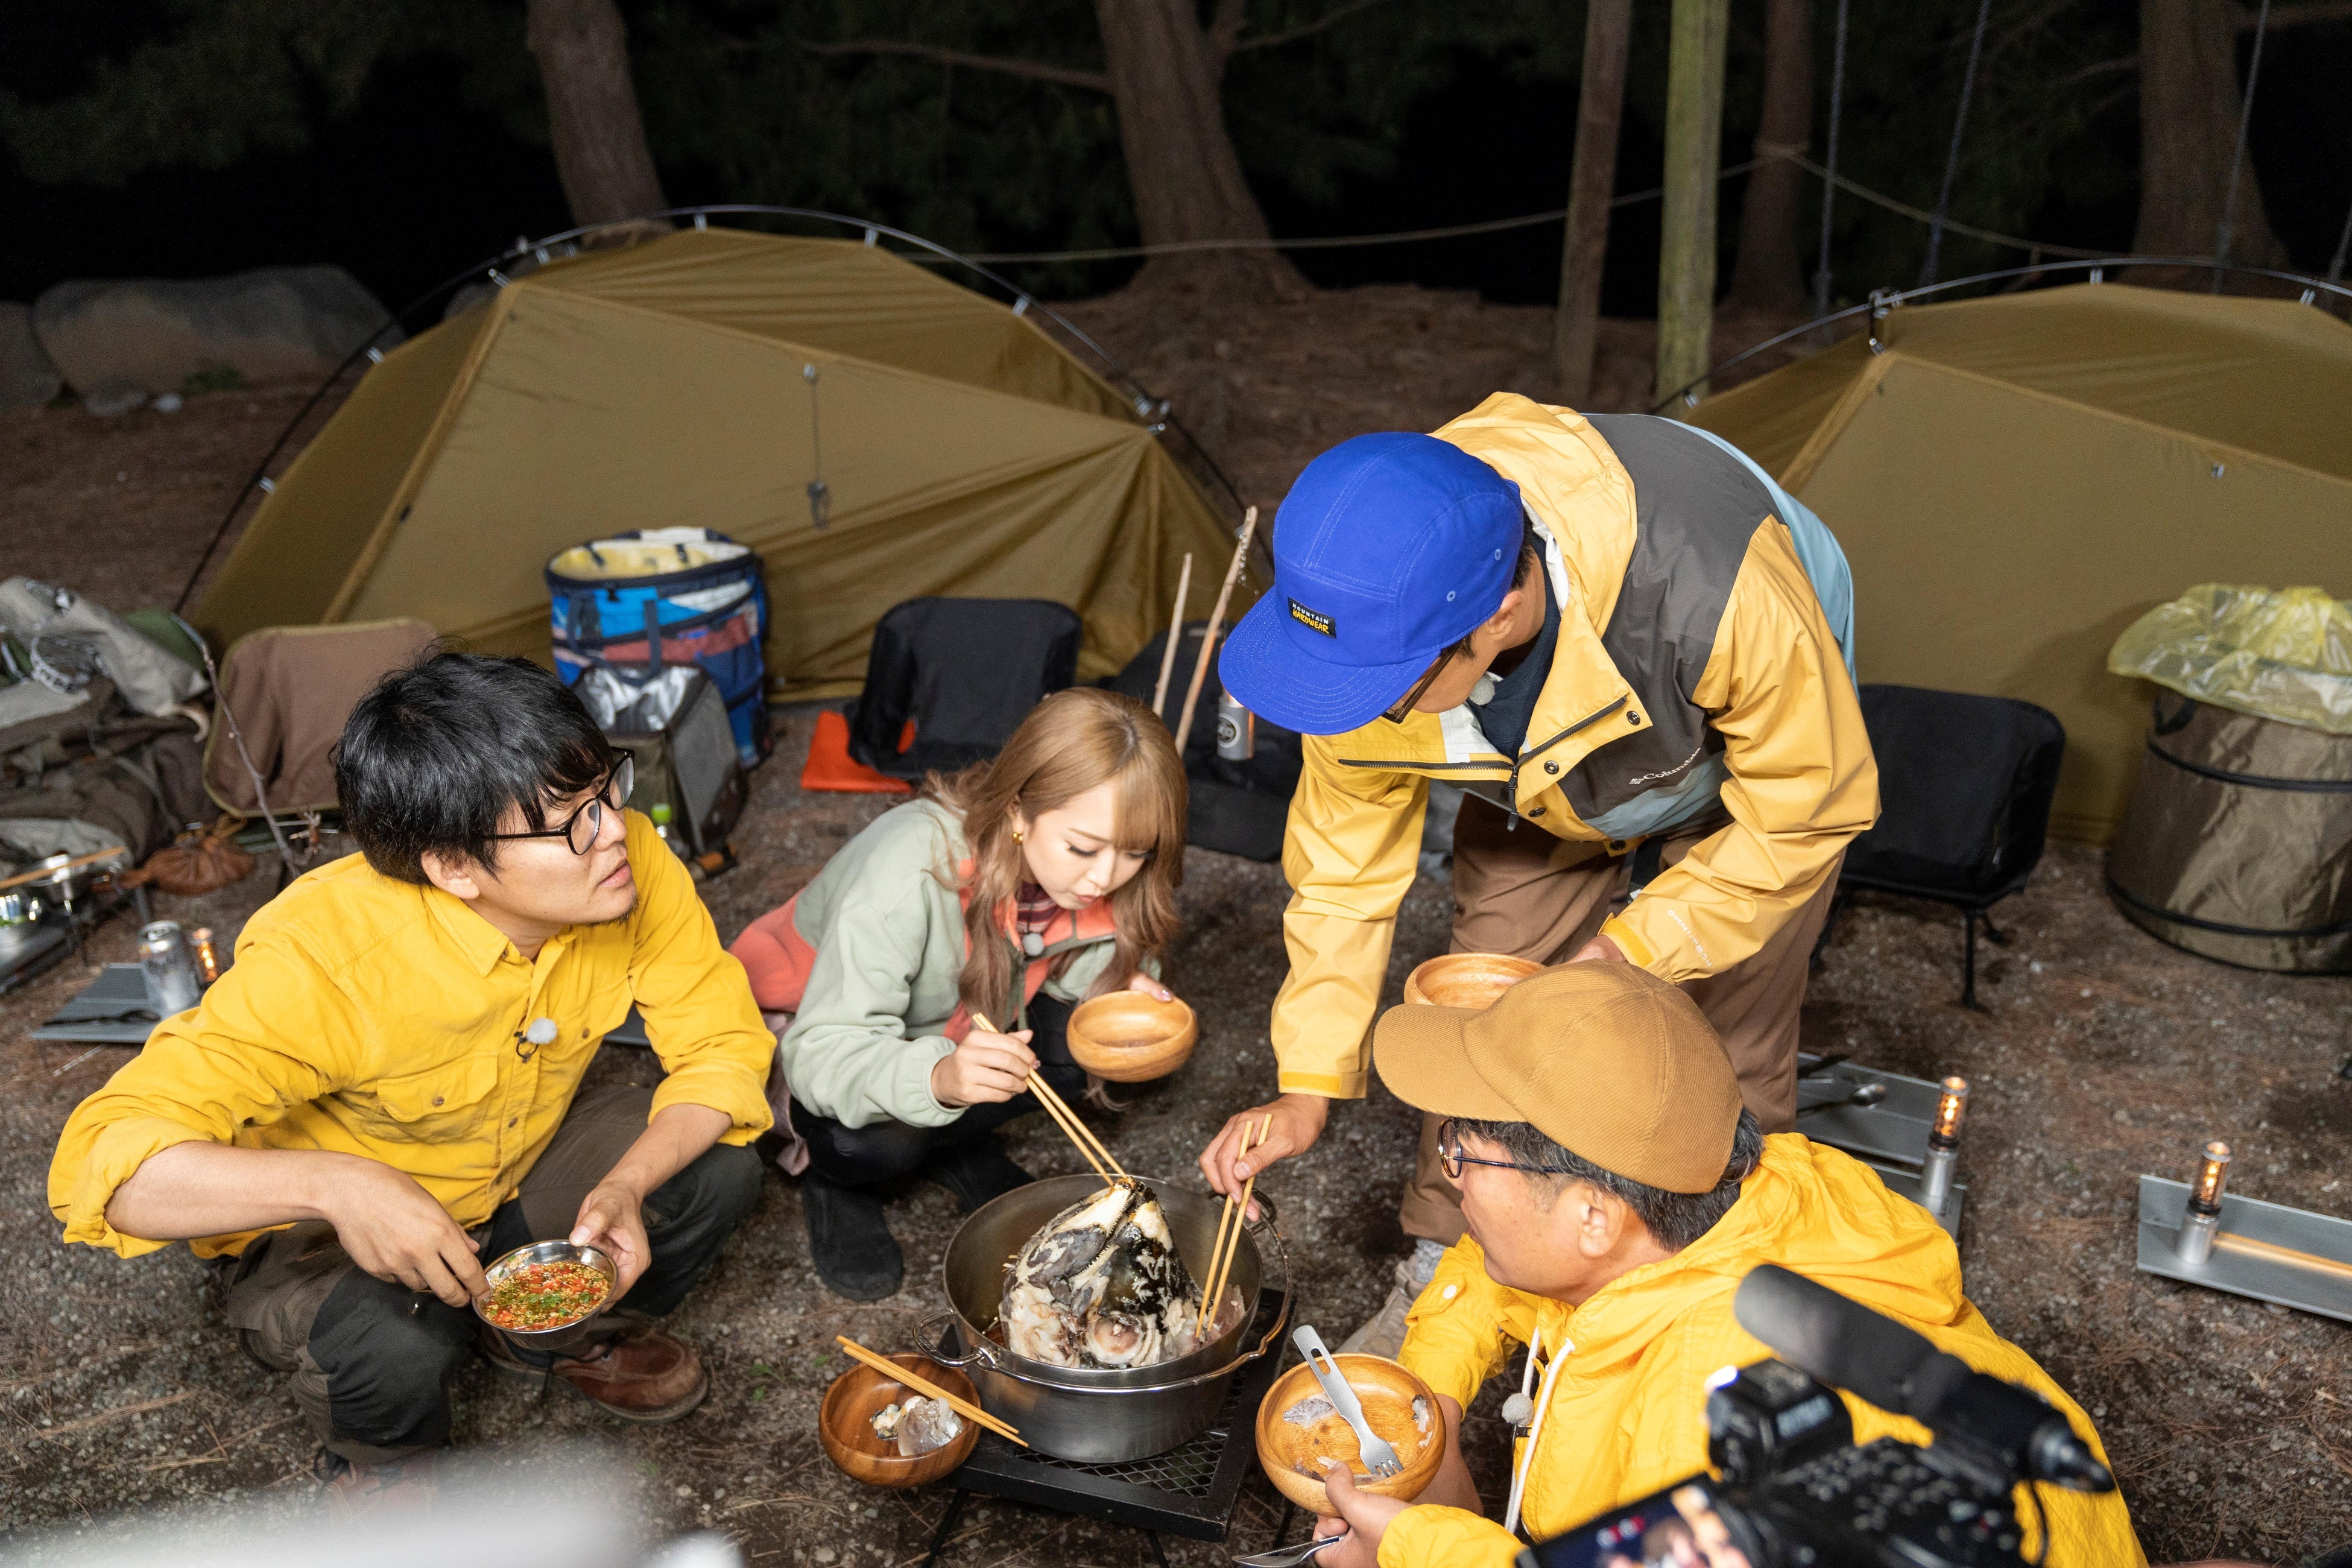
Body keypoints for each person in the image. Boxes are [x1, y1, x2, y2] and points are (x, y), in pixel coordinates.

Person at [1201, 395, 1878, 1353]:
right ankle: (1449, 1273)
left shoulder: (1725, 594)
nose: (1347, 709)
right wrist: (1307, 1082)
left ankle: (1695, 1312)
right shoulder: (1366, 600)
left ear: (1501, 612)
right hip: (1537, 771)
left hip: (1732, 763)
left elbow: (1805, 808)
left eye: (1377, 688)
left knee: (1723, 1036)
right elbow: (1344, 876)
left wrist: (1635, 946)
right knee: (1485, 1008)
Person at [48, 653, 774, 1514]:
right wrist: (339, 1185)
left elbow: (722, 1051)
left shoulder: (628, 865)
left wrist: (626, 1184)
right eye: (568, 822)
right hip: (332, 1227)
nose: (615, 830)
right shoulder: (327, 958)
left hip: (514, 1166)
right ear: (454, 867)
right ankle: (384, 1456)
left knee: (715, 1167)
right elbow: (106, 1164)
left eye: (605, 790)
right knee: (388, 1348)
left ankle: (558, 1334)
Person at [1303, 964, 2143, 1568]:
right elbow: (1506, 1260)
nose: (1450, 1183)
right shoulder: (1755, 1184)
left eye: (1461, 1153)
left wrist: (1411, 1550)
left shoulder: (1703, 1424)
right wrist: (1433, 1395)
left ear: (1594, 1214)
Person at [729, 687, 1186, 1301]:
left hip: (956, 1023)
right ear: (1020, 812)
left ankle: (954, 1141)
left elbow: (1067, 959)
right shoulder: (913, 864)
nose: (1105, 875)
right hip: (804, 1029)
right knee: (872, 1138)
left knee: (1089, 1044)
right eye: (1083, 847)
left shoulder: (1092, 873)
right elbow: (822, 1051)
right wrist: (941, 1079)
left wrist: (1116, 988)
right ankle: (836, 1183)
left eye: (1136, 852)